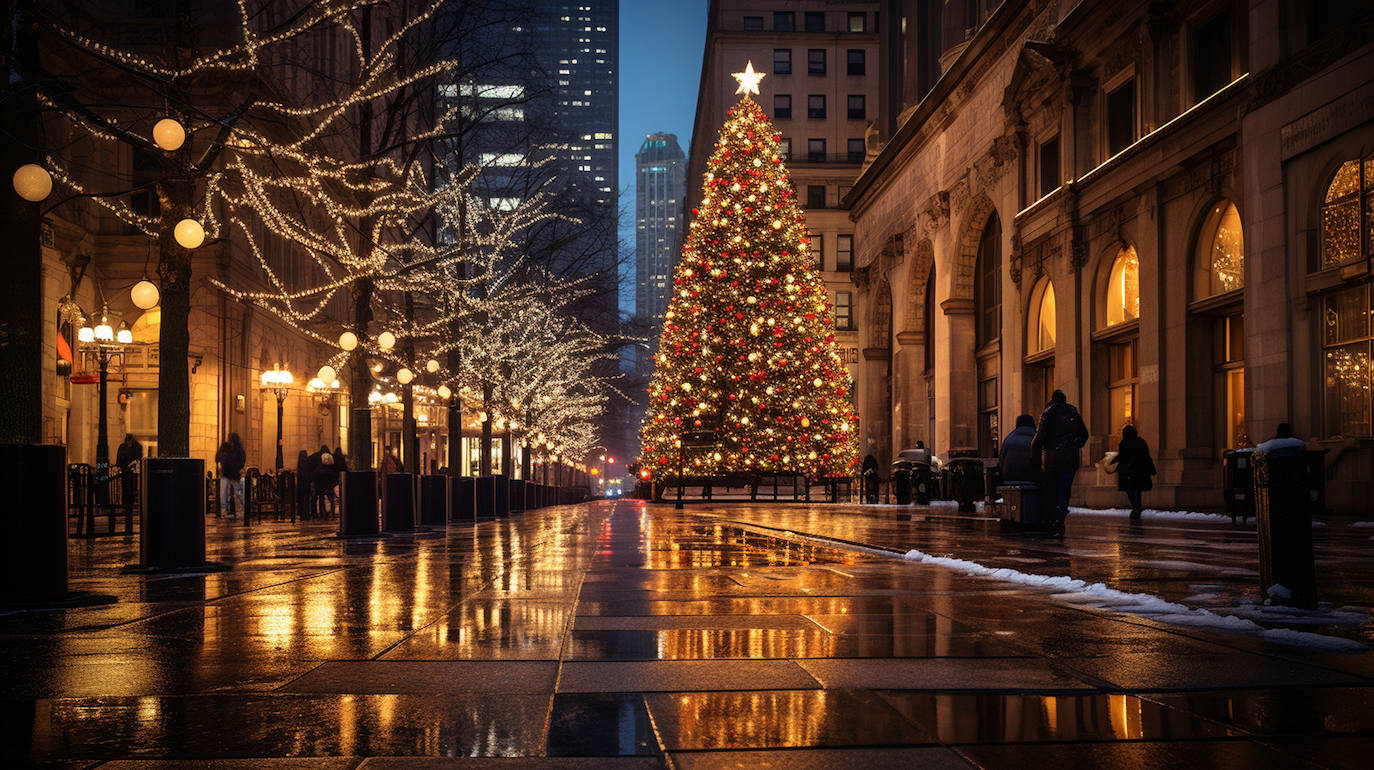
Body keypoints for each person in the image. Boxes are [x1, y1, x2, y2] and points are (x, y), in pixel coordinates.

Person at [1029, 390, 1089, 535]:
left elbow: (1041, 435)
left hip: (1053, 458)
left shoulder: (1049, 412)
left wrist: (1034, 456)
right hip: (1070, 459)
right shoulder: (1073, 412)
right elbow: (1084, 434)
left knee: (1052, 489)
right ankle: (1060, 517)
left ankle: (1053, 519)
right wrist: (1075, 444)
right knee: (1064, 489)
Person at [1110, 425, 1157, 520]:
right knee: (1137, 490)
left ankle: (1135, 507)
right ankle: (1137, 508)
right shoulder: (1140, 441)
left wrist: (1113, 462)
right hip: (1139, 470)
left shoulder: (1124, 443)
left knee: (1130, 490)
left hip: (1129, 471)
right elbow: (1145, 455)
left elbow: (1123, 456)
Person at [998, 414, 1038, 484]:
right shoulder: (1037, 438)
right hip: (1032, 477)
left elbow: (1001, 459)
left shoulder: (1009, 438)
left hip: (1010, 477)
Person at [215, 433, 247, 518]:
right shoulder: (236, 449)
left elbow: (241, 460)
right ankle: (233, 511)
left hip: (231, 474)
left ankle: (229, 511)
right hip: (230, 474)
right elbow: (242, 460)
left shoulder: (235, 448)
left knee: (229, 493)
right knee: (229, 493)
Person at [312, 445, 338, 517]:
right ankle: (331, 513)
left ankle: (323, 514)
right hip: (329, 485)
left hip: (321, 485)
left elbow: (315, 475)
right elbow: (334, 476)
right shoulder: (331, 469)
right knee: (331, 499)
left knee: (321, 498)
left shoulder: (319, 467)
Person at [295, 449, 312, 519]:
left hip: (301, 484)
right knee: (306, 499)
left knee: (301, 499)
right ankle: (306, 514)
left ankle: (302, 514)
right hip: (306, 483)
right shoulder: (308, 462)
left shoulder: (299, 463)